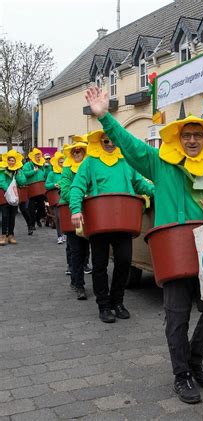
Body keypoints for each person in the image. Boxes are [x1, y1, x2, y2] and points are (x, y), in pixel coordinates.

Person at [84, 86, 203, 405]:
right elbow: (130, 146)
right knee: (176, 316)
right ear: (178, 138)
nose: (192, 140)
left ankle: (195, 358)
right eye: (187, 135)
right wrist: (105, 117)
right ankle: (181, 374)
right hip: (174, 252)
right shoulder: (160, 163)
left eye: (197, 135)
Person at [69, 128, 154, 322]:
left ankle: (118, 301)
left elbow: (140, 184)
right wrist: (76, 209)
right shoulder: (90, 162)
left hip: (123, 221)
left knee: (124, 261)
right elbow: (77, 187)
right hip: (99, 222)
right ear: (100, 142)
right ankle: (104, 305)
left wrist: (159, 190)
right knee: (99, 265)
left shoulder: (126, 162)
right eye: (106, 141)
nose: (110, 144)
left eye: (113, 140)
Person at [60, 139, 89, 300]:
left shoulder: (89, 167)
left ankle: (75, 279)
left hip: (90, 212)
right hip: (71, 212)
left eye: (80, 151)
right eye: (74, 152)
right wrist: (79, 197)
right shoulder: (67, 170)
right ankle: (79, 285)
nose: (77, 154)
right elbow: (65, 190)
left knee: (86, 250)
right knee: (76, 250)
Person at [0, 150, 27, 245]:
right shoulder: (2, 170)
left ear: (16, 161)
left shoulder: (19, 171)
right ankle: (3, 235)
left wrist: (18, 174)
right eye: (10, 160)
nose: (11, 162)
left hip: (15, 196)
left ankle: (11, 235)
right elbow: (1, 181)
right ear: (7, 161)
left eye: (13, 160)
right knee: (5, 215)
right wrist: (9, 191)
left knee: (12, 216)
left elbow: (23, 182)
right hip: (5, 195)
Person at [23, 148, 47, 234]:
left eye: (39, 156)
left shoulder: (41, 165)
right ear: (33, 157)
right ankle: (32, 224)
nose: (38, 158)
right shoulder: (27, 165)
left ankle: (37, 219)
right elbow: (25, 174)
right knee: (31, 209)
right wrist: (34, 171)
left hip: (40, 189)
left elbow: (44, 174)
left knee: (41, 207)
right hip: (32, 189)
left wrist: (46, 169)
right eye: (37, 156)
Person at [45, 151, 66, 244]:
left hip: (66, 198)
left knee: (65, 217)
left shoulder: (67, 172)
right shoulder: (52, 174)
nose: (62, 164)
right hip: (55, 198)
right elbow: (46, 185)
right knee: (58, 217)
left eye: (63, 162)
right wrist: (54, 185)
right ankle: (59, 236)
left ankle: (65, 233)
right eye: (60, 162)